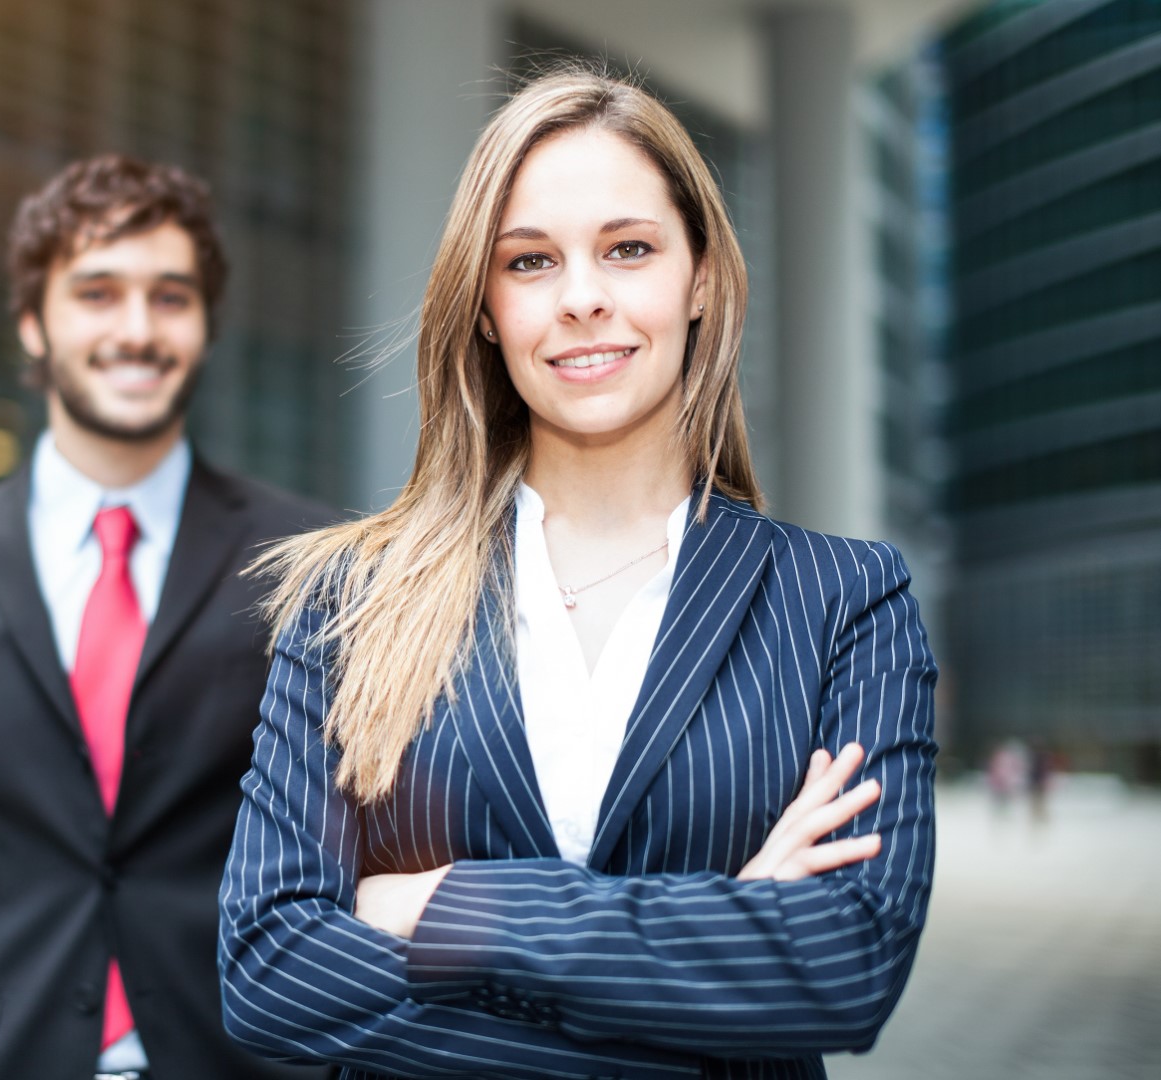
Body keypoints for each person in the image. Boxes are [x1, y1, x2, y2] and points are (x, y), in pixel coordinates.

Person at [220, 68, 938, 1079]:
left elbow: (845, 965)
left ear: (699, 279)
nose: (581, 298)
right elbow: (267, 972)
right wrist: (721, 948)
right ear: (481, 309)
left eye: (628, 249)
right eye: (528, 262)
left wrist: (434, 905)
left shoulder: (844, 602)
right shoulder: (350, 597)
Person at [0, 154, 329, 1080]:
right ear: (31, 326)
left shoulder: (308, 560)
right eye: (97, 293)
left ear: (206, 328)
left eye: (171, 297)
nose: (137, 329)